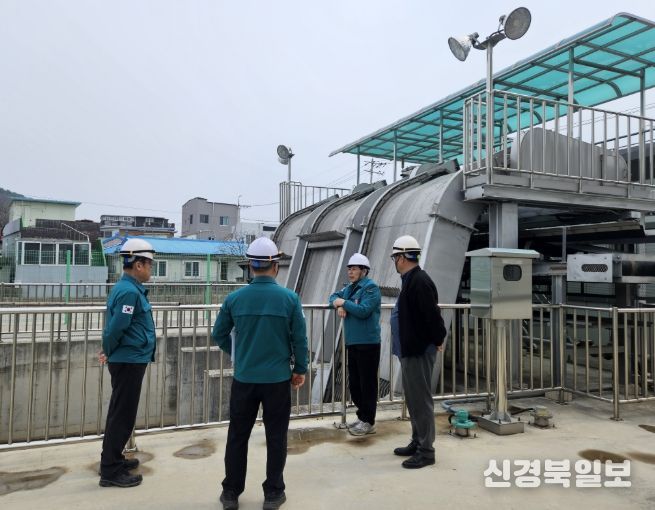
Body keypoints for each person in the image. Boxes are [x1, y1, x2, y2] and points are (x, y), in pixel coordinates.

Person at [212, 237, 308, 510]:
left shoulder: (234, 299)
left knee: (237, 435)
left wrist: (239, 354)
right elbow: (300, 340)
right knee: (276, 436)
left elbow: (218, 334)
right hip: (277, 380)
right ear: (275, 265)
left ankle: (231, 492)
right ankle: (273, 493)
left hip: (244, 378)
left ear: (250, 266)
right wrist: (300, 369)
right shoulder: (290, 299)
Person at [98, 238, 157, 488]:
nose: (151, 269)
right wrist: (108, 350)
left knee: (122, 413)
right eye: (150, 264)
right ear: (139, 265)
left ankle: (114, 459)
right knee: (122, 415)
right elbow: (117, 327)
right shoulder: (129, 292)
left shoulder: (129, 289)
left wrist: (110, 349)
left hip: (130, 358)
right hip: (128, 360)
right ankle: (110, 470)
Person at [389, 235, 446, 469]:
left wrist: (438, 338)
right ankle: (417, 440)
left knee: (421, 401)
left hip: (418, 350)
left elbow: (432, 315)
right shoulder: (411, 280)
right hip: (411, 349)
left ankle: (426, 451)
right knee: (413, 399)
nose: (394, 261)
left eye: (395, 257)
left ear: (402, 258)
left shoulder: (419, 281)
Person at [328, 253, 381, 436]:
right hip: (353, 342)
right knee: (355, 383)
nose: (350, 272)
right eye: (349, 269)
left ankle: (369, 421)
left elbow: (364, 310)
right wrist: (339, 304)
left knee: (367, 383)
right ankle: (362, 416)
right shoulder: (350, 288)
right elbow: (333, 297)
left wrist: (344, 302)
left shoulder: (370, 288)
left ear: (364, 271)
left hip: (368, 342)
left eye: (354, 269)